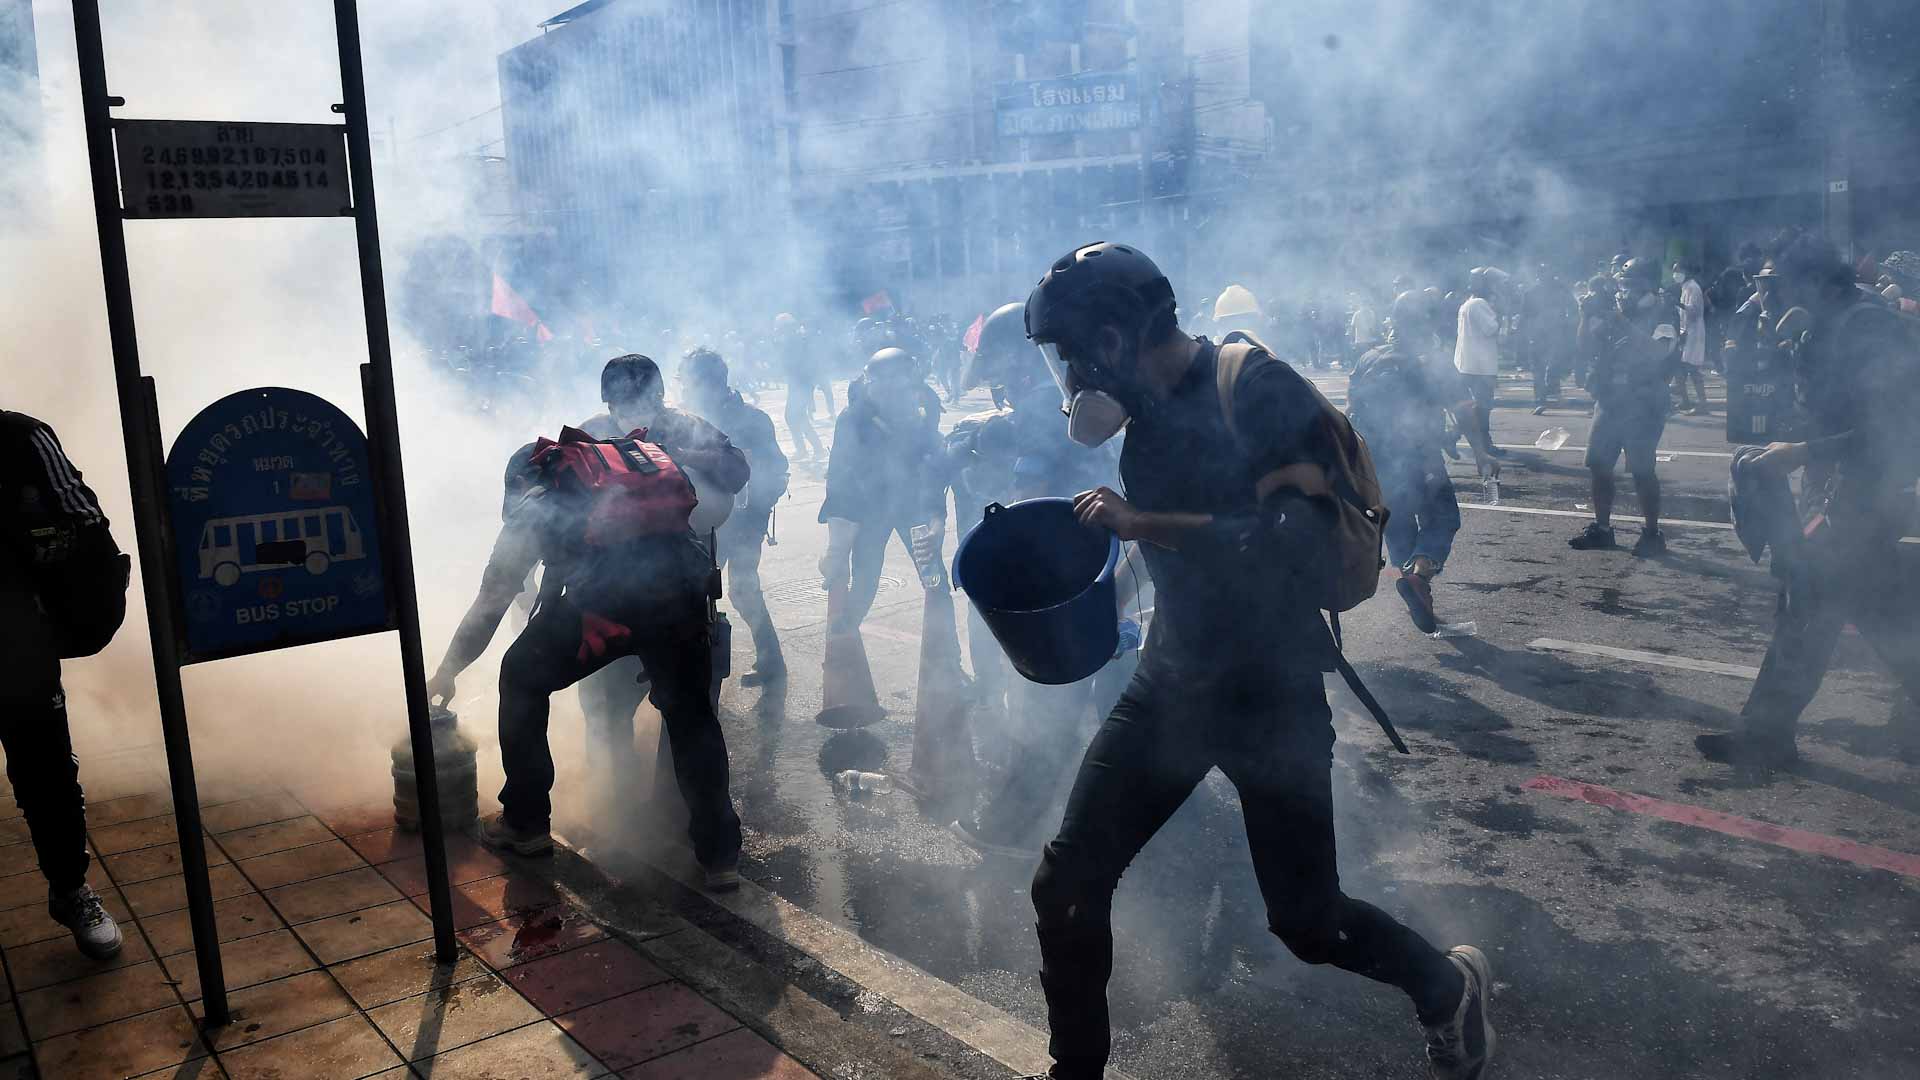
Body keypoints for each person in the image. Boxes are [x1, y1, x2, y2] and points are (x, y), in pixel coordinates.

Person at [1021, 242, 1494, 1080]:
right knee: (1066, 884)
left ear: (1113, 337)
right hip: (1171, 681)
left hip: (1268, 691)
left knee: (1308, 921)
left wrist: (1149, 523)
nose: (1069, 373)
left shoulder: (1258, 387)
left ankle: (1445, 986)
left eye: (1071, 353)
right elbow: (1164, 543)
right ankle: (1076, 1071)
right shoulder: (1147, 412)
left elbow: (1294, 536)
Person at [429, 355, 748, 890]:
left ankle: (526, 823)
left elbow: (490, 601)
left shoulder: (535, 507)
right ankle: (719, 857)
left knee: (520, 677)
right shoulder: (621, 460)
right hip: (683, 594)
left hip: (608, 606)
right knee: (692, 718)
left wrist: (447, 671)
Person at [1697, 238, 1920, 767]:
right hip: (1838, 488)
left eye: (1772, 284)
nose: (1762, 295)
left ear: (1816, 284)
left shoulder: (1868, 326)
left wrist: (1803, 451)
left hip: (1870, 492)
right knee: (1878, 607)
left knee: (1807, 605)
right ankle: (1766, 734)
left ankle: (1765, 736)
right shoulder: (1821, 324)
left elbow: (1893, 428)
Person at [943, 302, 1133, 857]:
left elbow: (1031, 501)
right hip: (1123, 558)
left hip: (1075, 570)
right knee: (1121, 702)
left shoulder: (1038, 406)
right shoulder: (1091, 392)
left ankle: (1013, 832)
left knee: (1051, 708)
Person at [0, 411, 127, 960]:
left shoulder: (21, 437)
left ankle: (71, 890)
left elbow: (87, 524)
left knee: (47, 772)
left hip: (16, 638)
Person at [819, 347, 972, 794]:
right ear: (869, 383)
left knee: (934, 578)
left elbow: (934, 468)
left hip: (911, 505)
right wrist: (838, 539)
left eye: (900, 381)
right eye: (882, 382)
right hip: (868, 510)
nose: (892, 390)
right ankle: (845, 647)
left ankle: (950, 665)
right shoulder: (853, 419)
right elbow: (840, 475)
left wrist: (936, 520)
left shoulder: (924, 407)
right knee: (863, 580)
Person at [1350, 293, 1498, 633]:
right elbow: (1463, 408)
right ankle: (1419, 578)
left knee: (1399, 526)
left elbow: (1351, 414)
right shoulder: (1432, 361)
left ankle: (1416, 589)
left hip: (1379, 460)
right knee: (1442, 517)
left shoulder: (1369, 359)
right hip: (1420, 456)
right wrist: (1480, 452)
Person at [678, 347, 789, 685]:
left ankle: (768, 662)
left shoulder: (752, 421)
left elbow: (777, 470)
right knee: (694, 594)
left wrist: (752, 508)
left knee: (741, 588)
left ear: (711, 385)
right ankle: (698, 669)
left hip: (741, 523)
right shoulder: (686, 421)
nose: (683, 390)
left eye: (688, 383)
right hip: (699, 523)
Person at [1570, 258, 1672, 556]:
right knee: (1598, 464)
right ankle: (1602, 529)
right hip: (1611, 397)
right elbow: (1584, 347)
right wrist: (1584, 316)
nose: (1624, 291)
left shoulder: (1663, 311)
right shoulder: (1616, 310)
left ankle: (1653, 534)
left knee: (1642, 469)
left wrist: (1621, 322)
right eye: (1623, 284)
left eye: (1631, 285)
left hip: (1644, 399)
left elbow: (1659, 353)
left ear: (1648, 286)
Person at [1453, 269, 1502, 454]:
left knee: (1475, 406)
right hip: (1480, 366)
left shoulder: (1468, 303)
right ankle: (1460, 437)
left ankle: (1466, 438)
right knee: (1483, 407)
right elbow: (1492, 329)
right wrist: (1500, 314)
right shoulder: (1480, 304)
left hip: (1468, 363)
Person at [773, 313, 827, 461]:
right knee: (797, 416)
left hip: (801, 383)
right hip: (798, 383)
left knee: (792, 416)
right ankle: (812, 449)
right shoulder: (795, 340)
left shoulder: (795, 341)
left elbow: (800, 365)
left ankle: (811, 449)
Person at [1672, 261, 1711, 414]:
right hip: (1686, 331)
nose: (1675, 274)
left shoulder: (1693, 288)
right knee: (1680, 368)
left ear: (1686, 271)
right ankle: (1685, 401)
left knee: (1692, 368)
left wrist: (1678, 304)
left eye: (1678, 270)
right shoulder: (1685, 287)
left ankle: (1703, 404)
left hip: (1694, 333)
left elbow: (1694, 312)